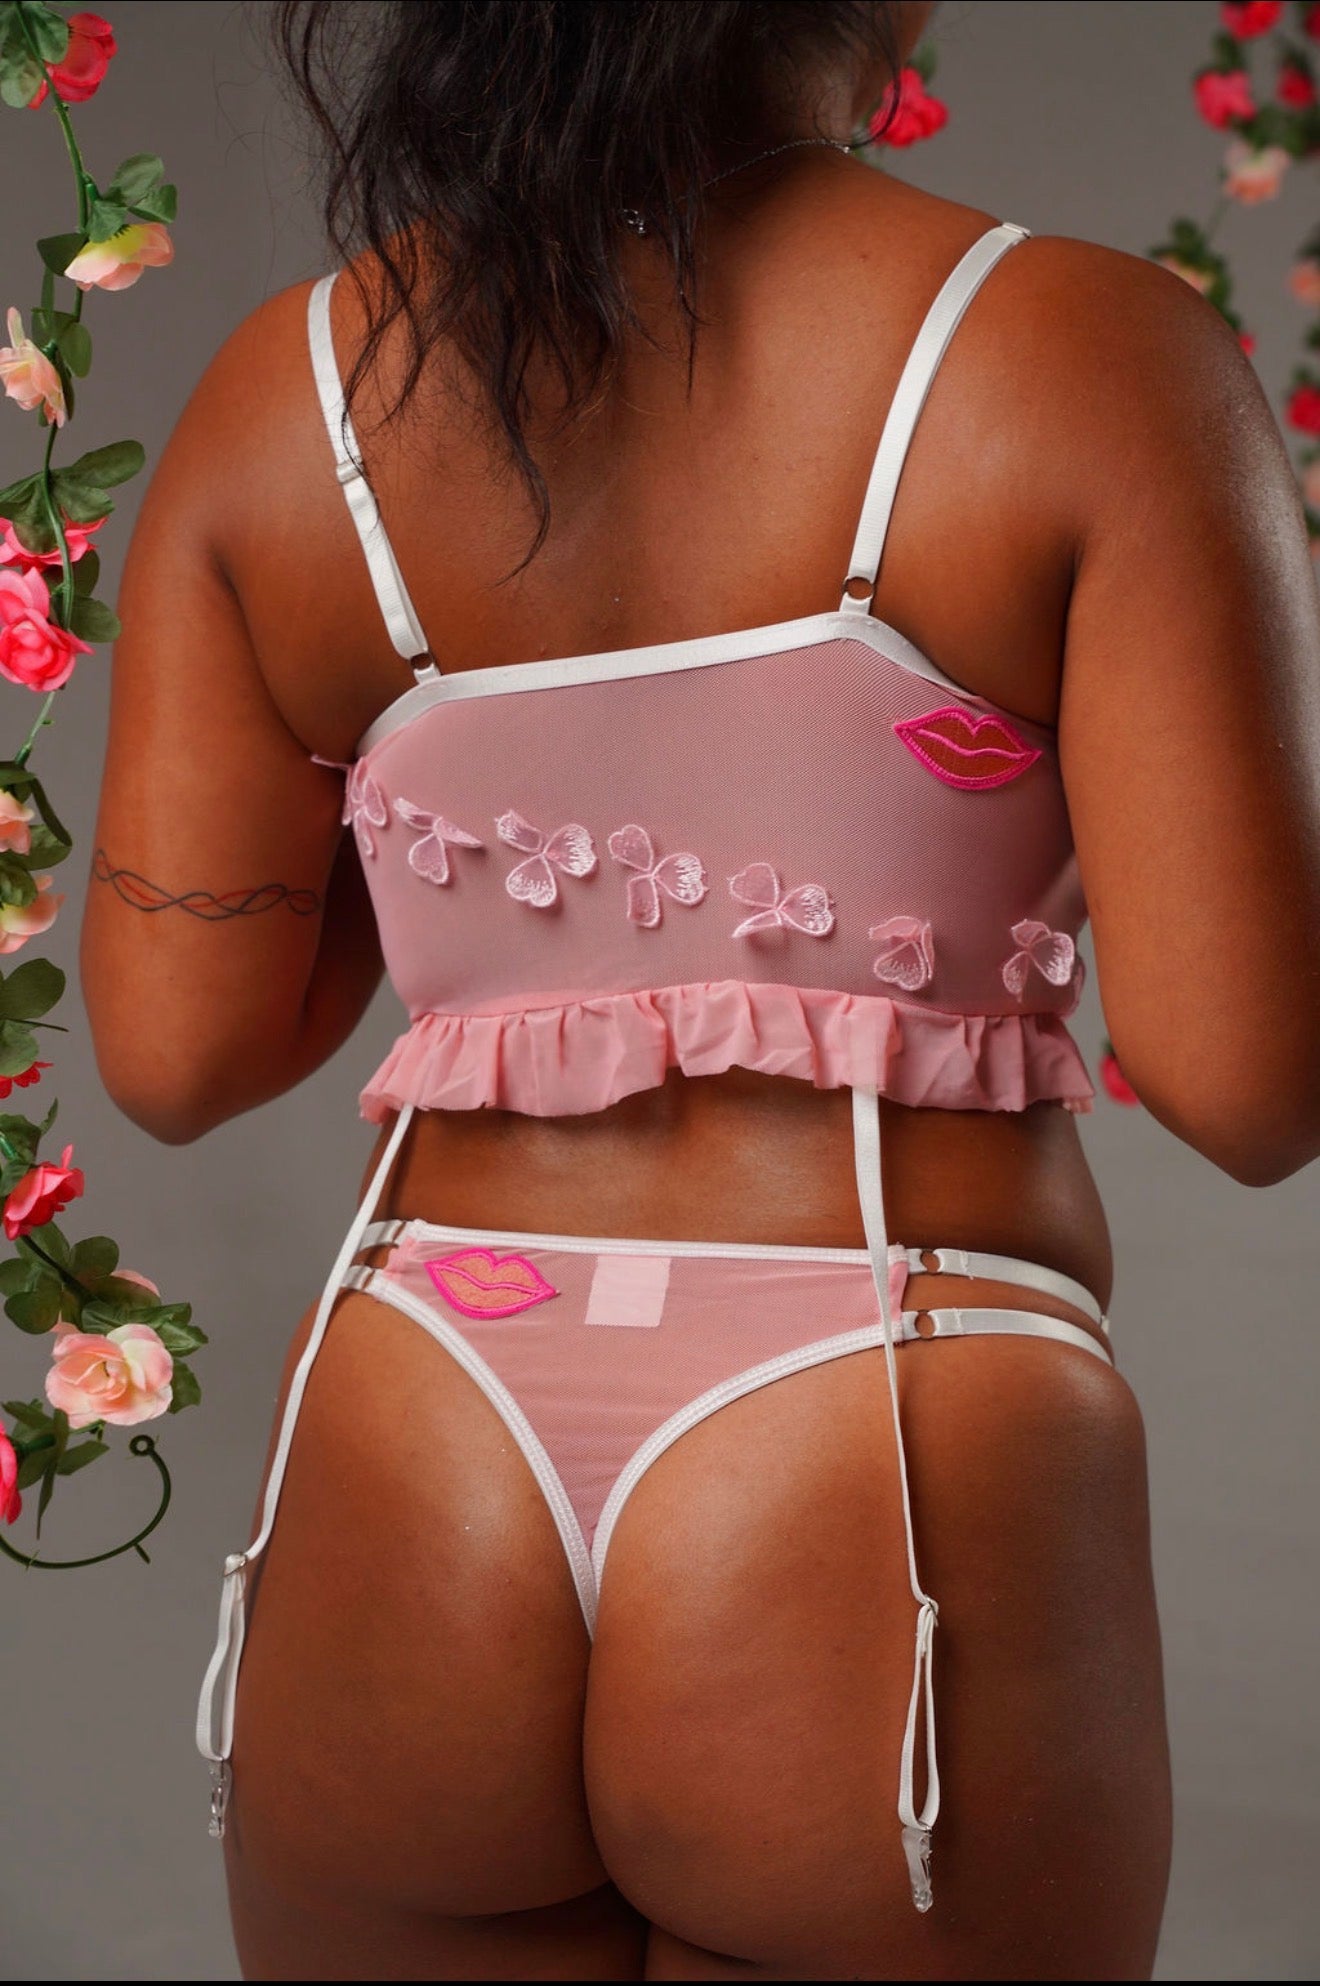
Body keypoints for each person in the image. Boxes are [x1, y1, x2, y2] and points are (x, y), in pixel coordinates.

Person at [80, 1, 1320, 1978]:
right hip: (886, 1422)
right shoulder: (1084, 355)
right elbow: (1248, 1082)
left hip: (426, 1418)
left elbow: (176, 1050)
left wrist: (469, 798)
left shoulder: (292, 394)